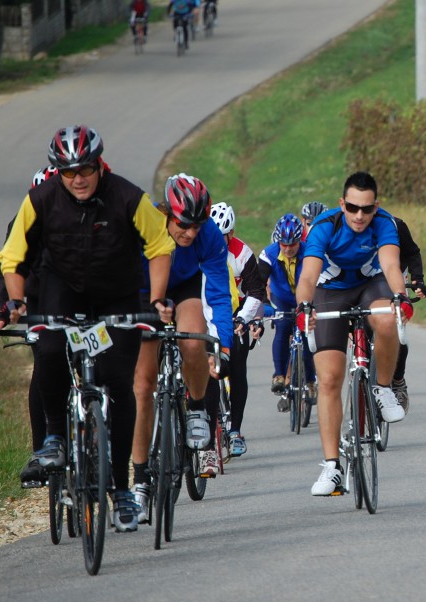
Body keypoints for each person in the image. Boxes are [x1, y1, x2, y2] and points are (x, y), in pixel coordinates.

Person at [0, 125, 175, 533]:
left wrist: (159, 299)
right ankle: (56, 438)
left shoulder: (128, 197)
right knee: (47, 349)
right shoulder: (41, 200)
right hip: (64, 291)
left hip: (117, 297)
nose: (78, 178)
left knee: (117, 382)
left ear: (99, 165)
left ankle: (122, 489)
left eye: (86, 169)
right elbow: (13, 256)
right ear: (57, 172)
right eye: (68, 171)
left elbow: (160, 246)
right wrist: (17, 300)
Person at [295, 171, 413, 496]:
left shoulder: (384, 223)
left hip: (369, 286)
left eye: (367, 208)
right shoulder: (325, 227)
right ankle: (332, 467)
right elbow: (307, 275)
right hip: (330, 291)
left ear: (376, 206)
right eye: (352, 207)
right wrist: (304, 306)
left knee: (387, 318)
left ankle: (383, 388)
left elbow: (390, 265)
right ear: (341, 204)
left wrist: (400, 297)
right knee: (330, 379)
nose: (359, 215)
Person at [131, 174, 233, 518]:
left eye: (196, 225)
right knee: (142, 387)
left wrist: (224, 347)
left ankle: (197, 408)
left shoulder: (209, 236)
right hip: (145, 294)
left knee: (194, 342)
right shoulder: (146, 224)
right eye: (182, 224)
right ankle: (140, 479)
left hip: (185, 288)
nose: (189, 233)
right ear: (166, 214)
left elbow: (219, 293)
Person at [0, 165, 58, 487]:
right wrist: (0, 310)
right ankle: (39, 451)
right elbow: (5, 271)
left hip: (83, 302)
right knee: (43, 367)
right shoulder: (21, 224)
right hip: (40, 306)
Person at [204, 201, 267, 458]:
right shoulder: (201, 249)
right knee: (207, 369)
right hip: (208, 313)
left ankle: (235, 430)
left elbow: (256, 292)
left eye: (224, 236)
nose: (220, 241)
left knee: (237, 368)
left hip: (236, 313)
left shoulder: (241, 253)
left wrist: (243, 318)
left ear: (231, 233)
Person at [257, 213, 314, 401]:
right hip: (281, 299)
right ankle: (279, 374)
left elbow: (321, 281)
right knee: (281, 328)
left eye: (292, 244)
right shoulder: (269, 254)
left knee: (307, 336)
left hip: (305, 298)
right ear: (278, 241)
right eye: (284, 244)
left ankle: (311, 381)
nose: (288, 249)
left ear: (300, 240)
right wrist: (264, 304)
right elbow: (258, 284)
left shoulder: (310, 252)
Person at [388, 216, 426, 412]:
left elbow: (413, 252)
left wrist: (417, 280)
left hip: (396, 278)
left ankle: (398, 380)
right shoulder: (354, 227)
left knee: (399, 336)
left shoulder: (396, 225)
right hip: (367, 282)